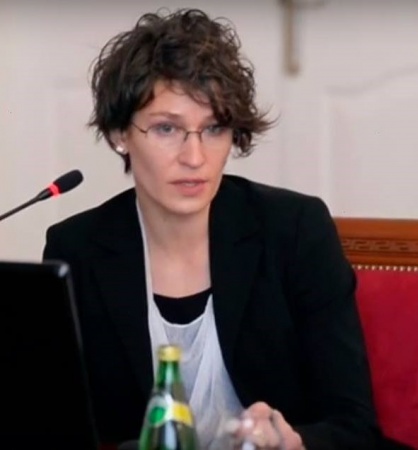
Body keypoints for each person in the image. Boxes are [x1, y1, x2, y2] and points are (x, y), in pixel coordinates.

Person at [43, 8, 380, 450]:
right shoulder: (78, 248)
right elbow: (58, 426)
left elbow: (355, 426)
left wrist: (293, 442)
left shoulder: (295, 231)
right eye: (167, 128)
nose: (195, 157)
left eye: (214, 128)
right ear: (119, 134)